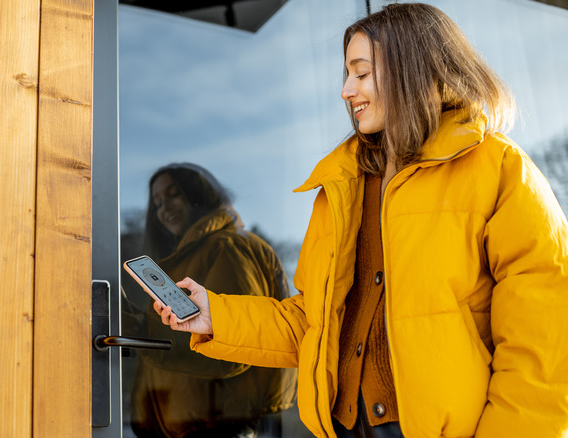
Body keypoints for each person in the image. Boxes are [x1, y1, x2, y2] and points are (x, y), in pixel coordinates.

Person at [152, 4, 568, 438]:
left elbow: (544, 342)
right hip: (344, 428)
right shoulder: (343, 186)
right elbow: (313, 324)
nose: (347, 90)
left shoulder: (499, 170)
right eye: (346, 75)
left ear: (412, 69)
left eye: (362, 73)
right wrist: (213, 315)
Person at [124, 162, 298, 438]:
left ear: (199, 194)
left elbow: (236, 346)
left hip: (218, 426)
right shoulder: (190, 254)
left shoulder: (228, 248)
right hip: (190, 425)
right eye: (157, 202)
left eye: (173, 194)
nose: (164, 208)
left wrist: (145, 341)